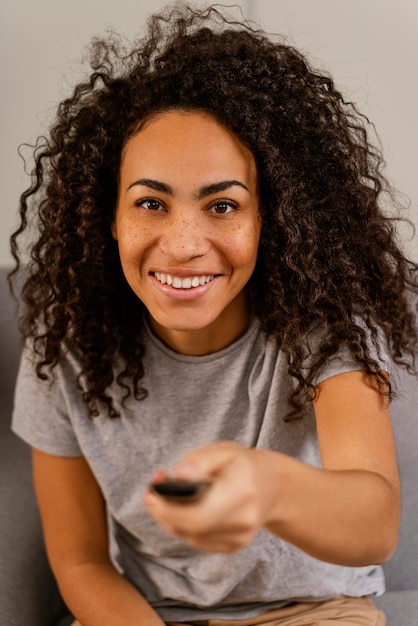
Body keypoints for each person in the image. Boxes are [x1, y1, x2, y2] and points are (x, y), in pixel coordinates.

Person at [10, 4, 418, 626]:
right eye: (150, 203)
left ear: (270, 220)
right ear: (109, 218)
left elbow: (374, 524)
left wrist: (267, 488)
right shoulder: (64, 341)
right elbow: (82, 563)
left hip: (314, 611)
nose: (182, 243)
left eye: (222, 206)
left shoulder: (325, 327)